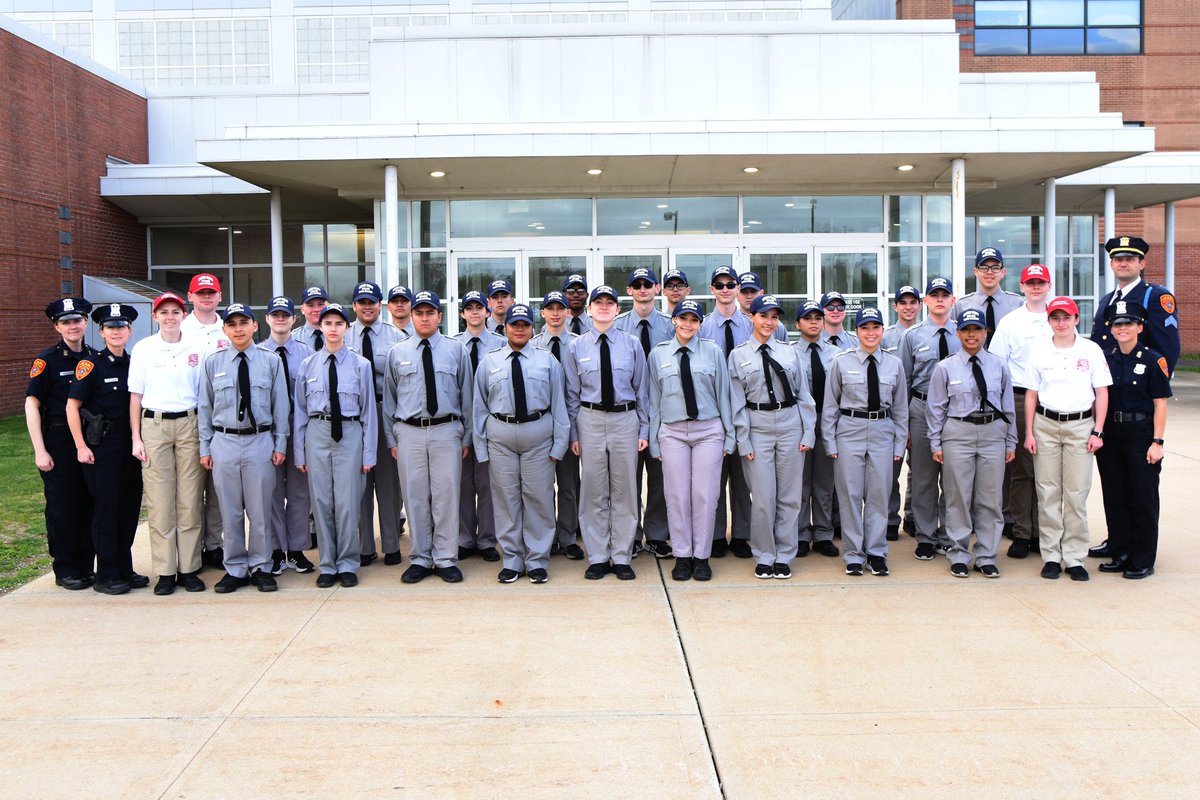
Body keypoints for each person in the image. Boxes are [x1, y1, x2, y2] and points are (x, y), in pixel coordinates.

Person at [472, 303, 570, 584]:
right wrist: (481, 447)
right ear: (505, 328)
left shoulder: (547, 360)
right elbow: (479, 407)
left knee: (538, 498)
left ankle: (537, 559)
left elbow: (559, 405)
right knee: (506, 500)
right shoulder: (490, 361)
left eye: (525, 325)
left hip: (538, 438)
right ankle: (513, 559)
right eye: (514, 325)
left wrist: (558, 445)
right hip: (500, 438)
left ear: (531, 328)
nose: (519, 329)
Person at [199, 304, 290, 594]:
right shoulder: (213, 363)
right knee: (230, 510)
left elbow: (281, 405)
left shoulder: (270, 361)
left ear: (254, 326)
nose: (238, 329)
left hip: (260, 441)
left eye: (243, 323)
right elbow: (205, 407)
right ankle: (235, 567)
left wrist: (280, 443)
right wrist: (205, 447)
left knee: (260, 509)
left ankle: (262, 566)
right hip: (224, 441)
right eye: (232, 324)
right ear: (224, 329)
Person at [383, 291, 473, 585]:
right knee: (415, 497)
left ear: (440, 316)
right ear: (411, 316)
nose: (424, 318)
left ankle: (446, 557)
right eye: (419, 313)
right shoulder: (397, 352)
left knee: (447, 496)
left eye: (430, 312)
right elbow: (390, 400)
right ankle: (421, 557)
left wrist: (466, 437)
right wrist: (393, 439)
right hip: (409, 431)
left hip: (447, 431)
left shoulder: (455, 349)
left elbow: (468, 396)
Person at [564, 285, 649, 580]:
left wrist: (644, 428)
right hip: (590, 420)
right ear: (589, 309)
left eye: (609, 303)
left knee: (625, 490)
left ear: (617, 310)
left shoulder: (631, 344)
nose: (603, 306)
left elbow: (642, 390)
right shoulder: (575, 347)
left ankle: (622, 555)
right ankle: (599, 555)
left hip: (625, 421)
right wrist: (574, 434)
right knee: (593, 491)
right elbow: (571, 396)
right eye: (597, 302)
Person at [729, 295, 817, 579]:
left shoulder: (790, 352)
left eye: (774, 317)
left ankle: (784, 555)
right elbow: (736, 403)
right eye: (763, 316)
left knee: (790, 497)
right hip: (758, 425)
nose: (769, 322)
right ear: (751, 318)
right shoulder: (738, 355)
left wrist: (808, 431)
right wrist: (744, 439)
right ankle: (765, 555)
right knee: (764, 497)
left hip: (790, 423)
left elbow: (804, 395)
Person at [1024, 297, 1111, 582]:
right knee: (1047, 493)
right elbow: (1032, 394)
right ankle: (1051, 555)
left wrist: (1098, 430)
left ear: (1076, 319)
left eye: (1066, 317)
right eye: (1055, 317)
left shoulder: (1091, 350)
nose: (1061, 323)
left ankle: (1074, 557)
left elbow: (1101, 392)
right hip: (1046, 425)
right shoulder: (1039, 351)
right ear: (1049, 321)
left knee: (1076, 495)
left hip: (1080, 426)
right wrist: (1029, 432)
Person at [646, 299, 734, 582]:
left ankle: (701, 556)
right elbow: (653, 401)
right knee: (677, 496)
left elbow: (724, 395)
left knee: (706, 496)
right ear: (674, 320)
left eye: (693, 320)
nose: (687, 324)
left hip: (708, 431)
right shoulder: (658, 355)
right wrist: (655, 439)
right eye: (683, 319)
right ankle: (682, 555)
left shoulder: (712, 352)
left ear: (700, 323)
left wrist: (729, 435)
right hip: (672, 432)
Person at [926, 309, 1017, 578]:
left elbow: (1008, 406)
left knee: (990, 498)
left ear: (986, 332)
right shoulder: (945, 367)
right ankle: (958, 553)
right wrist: (935, 443)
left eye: (977, 329)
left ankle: (987, 555)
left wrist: (1010, 441)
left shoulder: (999, 365)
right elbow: (936, 409)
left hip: (992, 434)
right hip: (958, 434)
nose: (972, 335)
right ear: (958, 333)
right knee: (958, 496)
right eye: (966, 330)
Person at [294, 304, 378, 588]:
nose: (332, 328)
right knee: (321, 502)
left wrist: (368, 453)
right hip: (317, 432)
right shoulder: (308, 365)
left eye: (338, 323)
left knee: (347, 502)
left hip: (350, 432)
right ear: (320, 327)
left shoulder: (361, 365)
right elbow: (301, 411)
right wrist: (299, 452)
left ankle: (348, 563)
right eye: (327, 323)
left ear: (346, 328)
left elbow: (368, 413)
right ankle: (327, 565)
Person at [129, 292, 207, 595]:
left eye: (176, 311)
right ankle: (165, 571)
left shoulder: (196, 347)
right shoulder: (144, 349)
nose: (170, 317)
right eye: (165, 312)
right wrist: (136, 437)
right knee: (160, 501)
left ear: (183, 314)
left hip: (189, 422)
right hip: (155, 425)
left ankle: (189, 568)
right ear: (155, 316)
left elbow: (203, 392)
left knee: (189, 499)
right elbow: (135, 396)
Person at [822, 307, 908, 577]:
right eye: (864, 328)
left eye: (875, 327)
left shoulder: (894, 364)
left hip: (882, 430)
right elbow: (829, 406)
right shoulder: (841, 361)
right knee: (850, 495)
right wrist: (831, 443)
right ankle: (853, 554)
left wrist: (899, 444)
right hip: (850, 430)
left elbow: (901, 409)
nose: (870, 333)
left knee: (879, 495)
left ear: (883, 330)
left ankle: (876, 552)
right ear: (856, 331)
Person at [66, 303, 146, 595]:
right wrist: (80, 446)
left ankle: (124, 567)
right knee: (107, 510)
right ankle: (106, 574)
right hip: (103, 447)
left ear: (130, 331)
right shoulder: (91, 364)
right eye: (110, 327)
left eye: (121, 326)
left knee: (128, 508)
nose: (116, 332)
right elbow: (72, 406)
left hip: (131, 442)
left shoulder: (134, 362)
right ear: (100, 332)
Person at [1094, 301, 1170, 579]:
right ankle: (1121, 549)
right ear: (1111, 329)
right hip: (1111, 435)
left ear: (1139, 327)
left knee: (1143, 498)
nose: (1122, 328)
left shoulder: (1152, 359)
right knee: (1115, 495)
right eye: (1117, 324)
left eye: (1128, 323)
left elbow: (1160, 403)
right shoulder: (1105, 358)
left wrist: (1157, 442)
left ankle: (1143, 558)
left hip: (1140, 436)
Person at [25, 297, 96, 591]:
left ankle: (85, 566)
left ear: (86, 323)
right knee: (63, 506)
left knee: (89, 504)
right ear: (57, 326)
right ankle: (66, 568)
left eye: (77, 320)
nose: (73, 326)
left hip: (91, 440)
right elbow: (32, 404)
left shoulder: (94, 356)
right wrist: (40, 450)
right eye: (66, 322)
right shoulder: (47, 361)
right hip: (58, 441)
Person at [989, 264, 1053, 559]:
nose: (1036, 287)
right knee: (1022, 470)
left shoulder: (1060, 318)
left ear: (1048, 286)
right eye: (1031, 283)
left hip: (1053, 401)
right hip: (1018, 397)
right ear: (1023, 286)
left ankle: (1044, 532)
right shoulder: (1011, 322)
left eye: (1041, 283)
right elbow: (998, 365)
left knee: (1047, 470)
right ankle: (1022, 532)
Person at [348, 280, 407, 568]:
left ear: (380, 305)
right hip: (355, 416)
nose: (367, 306)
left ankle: (392, 545)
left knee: (388, 483)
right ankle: (364, 547)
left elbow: (400, 382)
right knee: (360, 482)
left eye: (372, 302)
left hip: (385, 410)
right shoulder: (344, 336)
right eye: (362, 302)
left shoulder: (396, 337)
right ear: (354, 306)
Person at [899, 277, 959, 561]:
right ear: (925, 301)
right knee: (923, 477)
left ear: (952, 300)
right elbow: (904, 382)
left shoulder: (964, 333)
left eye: (944, 295)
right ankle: (925, 536)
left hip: (957, 412)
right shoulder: (912, 336)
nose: (939, 300)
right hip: (921, 410)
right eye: (933, 295)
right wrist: (906, 424)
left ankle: (948, 535)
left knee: (952, 478)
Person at [615, 267, 673, 557]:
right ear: (629, 291)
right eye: (636, 285)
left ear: (656, 288)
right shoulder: (618, 325)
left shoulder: (669, 324)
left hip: (662, 410)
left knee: (660, 476)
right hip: (629, 412)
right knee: (629, 477)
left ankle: (658, 534)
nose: (642, 289)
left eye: (647, 284)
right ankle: (632, 534)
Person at [256, 295, 315, 576]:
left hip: (298, 427)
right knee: (272, 492)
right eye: (275, 315)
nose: (280, 319)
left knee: (300, 492)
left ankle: (298, 549)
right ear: (266, 319)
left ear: (294, 319)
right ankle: (277, 550)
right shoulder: (257, 353)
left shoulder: (306, 353)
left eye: (285, 315)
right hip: (267, 431)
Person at [698, 266, 752, 558]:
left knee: (742, 479)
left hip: (746, 411)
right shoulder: (702, 326)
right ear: (712, 290)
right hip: (714, 412)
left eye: (730, 284)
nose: (725, 289)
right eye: (719, 285)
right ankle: (717, 535)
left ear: (738, 288)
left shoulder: (751, 323)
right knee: (713, 478)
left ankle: (742, 534)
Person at [180, 272, 231, 568]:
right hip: (190, 416)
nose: (206, 297)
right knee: (191, 487)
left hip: (222, 416)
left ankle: (214, 543)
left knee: (217, 488)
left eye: (211, 293)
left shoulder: (230, 327)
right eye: (201, 293)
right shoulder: (181, 330)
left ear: (219, 296)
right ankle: (192, 547)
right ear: (191, 297)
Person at [532, 290, 584, 560]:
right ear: (542, 313)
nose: (554, 313)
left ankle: (568, 536)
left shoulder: (577, 344)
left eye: (559, 308)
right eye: (549, 308)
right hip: (540, 424)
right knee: (541, 486)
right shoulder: (532, 344)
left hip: (569, 423)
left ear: (567, 312)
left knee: (568, 484)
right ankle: (546, 537)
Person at [455, 290, 502, 562]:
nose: (474, 312)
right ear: (462, 313)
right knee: (462, 485)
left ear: (487, 311)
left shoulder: (500, 342)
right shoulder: (453, 344)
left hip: (489, 423)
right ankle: (464, 538)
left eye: (479, 307)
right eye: (468, 308)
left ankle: (486, 539)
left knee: (487, 484)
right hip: (460, 423)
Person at [1091, 236, 1180, 377]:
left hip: (1138, 386)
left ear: (1142, 264)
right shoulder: (1106, 300)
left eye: (1130, 259)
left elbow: (1168, 348)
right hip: (1106, 384)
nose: (1123, 264)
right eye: (1118, 260)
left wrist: (1157, 388)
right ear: (1111, 264)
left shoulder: (1154, 297)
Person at [793, 301, 840, 559]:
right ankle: (800, 533)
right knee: (800, 481)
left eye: (817, 317)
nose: (813, 322)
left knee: (824, 482)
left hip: (828, 419)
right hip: (800, 422)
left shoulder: (836, 354)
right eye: (807, 318)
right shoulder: (790, 353)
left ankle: (823, 533)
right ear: (797, 324)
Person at [881, 285, 921, 541]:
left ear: (919, 305)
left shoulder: (925, 334)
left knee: (918, 470)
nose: (908, 306)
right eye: (902, 302)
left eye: (912, 302)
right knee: (890, 471)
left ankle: (913, 518)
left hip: (920, 411)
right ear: (895, 306)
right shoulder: (884, 337)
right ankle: (889, 519)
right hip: (892, 413)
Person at [953, 247, 1024, 348]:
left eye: (995, 267)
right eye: (984, 267)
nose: (989, 272)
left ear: (1003, 272)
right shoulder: (961, 306)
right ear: (976, 272)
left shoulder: (1018, 304)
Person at [735, 272, 788, 342]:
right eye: (744, 292)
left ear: (761, 293)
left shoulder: (777, 327)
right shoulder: (731, 325)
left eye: (753, 291)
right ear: (736, 294)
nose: (749, 296)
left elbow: (785, 351)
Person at [292, 286, 330, 351]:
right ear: (302, 309)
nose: (316, 309)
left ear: (329, 306)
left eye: (320, 304)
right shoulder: (293, 338)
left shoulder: (342, 335)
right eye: (310, 305)